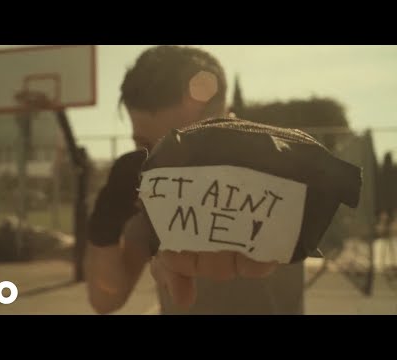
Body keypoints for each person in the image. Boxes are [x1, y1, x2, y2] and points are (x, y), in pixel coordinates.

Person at [84, 45, 303, 315]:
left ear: (226, 119)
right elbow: (106, 300)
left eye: (181, 144)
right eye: (146, 145)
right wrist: (105, 222)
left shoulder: (274, 172)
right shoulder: (152, 191)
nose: (163, 164)